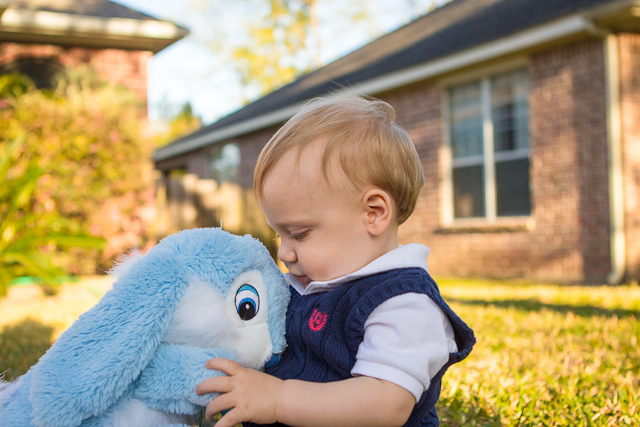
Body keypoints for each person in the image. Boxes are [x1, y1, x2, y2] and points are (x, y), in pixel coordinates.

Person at [195, 95, 475, 427]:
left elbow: (385, 404)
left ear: (374, 213)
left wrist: (277, 399)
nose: (285, 253)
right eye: (279, 235)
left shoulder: (405, 304)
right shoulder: (305, 284)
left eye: (299, 233)